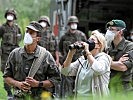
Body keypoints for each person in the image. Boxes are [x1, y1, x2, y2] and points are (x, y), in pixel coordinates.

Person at [3, 21, 61, 100]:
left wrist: (38, 84)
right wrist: (18, 84)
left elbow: (56, 79)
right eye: (27, 32)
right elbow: (6, 77)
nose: (27, 35)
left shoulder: (45, 56)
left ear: (38, 38)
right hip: (20, 97)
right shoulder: (15, 54)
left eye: (31, 33)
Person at [61, 30, 112, 99]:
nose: (88, 42)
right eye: (89, 39)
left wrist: (87, 52)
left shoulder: (104, 58)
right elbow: (65, 71)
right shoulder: (83, 59)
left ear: (99, 45)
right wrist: (70, 53)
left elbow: (98, 69)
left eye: (92, 40)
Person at [58, 16, 87, 97]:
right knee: (68, 84)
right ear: (69, 24)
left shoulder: (81, 35)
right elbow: (59, 50)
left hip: (79, 63)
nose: (74, 25)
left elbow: (87, 48)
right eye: (72, 23)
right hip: (68, 62)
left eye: (75, 23)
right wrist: (61, 62)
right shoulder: (64, 36)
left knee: (79, 82)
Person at [105, 19, 133, 93]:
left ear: (120, 32)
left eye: (112, 30)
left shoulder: (130, 46)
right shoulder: (107, 46)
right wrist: (115, 63)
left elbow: (122, 67)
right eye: (108, 29)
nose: (108, 32)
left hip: (123, 89)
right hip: (107, 88)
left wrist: (105, 62)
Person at [0, 8, 22, 99]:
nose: (10, 16)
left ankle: (17, 91)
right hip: (5, 53)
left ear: (14, 17)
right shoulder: (2, 28)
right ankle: (8, 92)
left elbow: (21, 38)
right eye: (9, 14)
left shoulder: (17, 28)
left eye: (12, 15)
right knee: (6, 72)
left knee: (17, 71)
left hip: (15, 53)